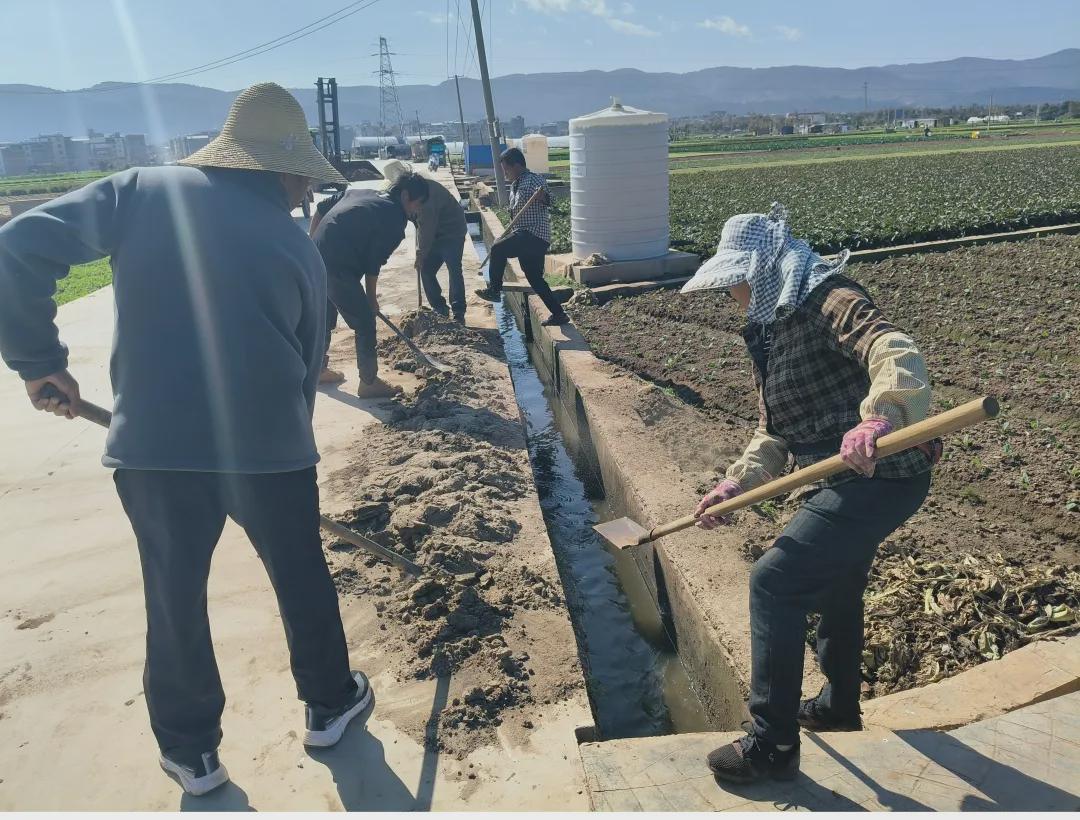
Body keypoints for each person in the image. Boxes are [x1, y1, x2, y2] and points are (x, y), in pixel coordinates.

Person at [0, 83, 372, 797]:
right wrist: (287, 451)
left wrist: (38, 363)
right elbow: (304, 366)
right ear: (282, 171)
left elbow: (18, 248)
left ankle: (191, 753)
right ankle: (331, 705)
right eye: (303, 180)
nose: (304, 196)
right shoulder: (298, 246)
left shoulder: (142, 190)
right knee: (302, 578)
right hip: (269, 452)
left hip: (154, 449)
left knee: (174, 594)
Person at [681, 204, 939, 785]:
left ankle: (771, 744)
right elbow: (778, 430)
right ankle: (837, 707)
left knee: (774, 579)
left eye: (736, 284)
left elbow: (892, 348)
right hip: (837, 475)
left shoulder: (828, 298)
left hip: (884, 473)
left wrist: (879, 418)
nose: (733, 297)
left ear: (761, 269)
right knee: (837, 580)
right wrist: (735, 485)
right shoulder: (771, 328)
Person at [309, 171, 429, 397]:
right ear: (405, 196)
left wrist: (312, 244)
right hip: (338, 266)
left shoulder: (361, 192)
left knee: (325, 315)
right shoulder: (395, 220)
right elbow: (374, 263)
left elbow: (322, 207)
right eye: (418, 203)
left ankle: (318, 369)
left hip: (318, 258)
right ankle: (369, 382)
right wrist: (371, 300)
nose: (417, 210)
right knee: (364, 320)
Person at [475, 147, 568, 326]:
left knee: (498, 249)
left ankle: (494, 290)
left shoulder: (533, 179)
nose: (505, 173)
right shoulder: (516, 184)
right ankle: (559, 314)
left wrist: (543, 197)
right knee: (534, 278)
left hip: (533, 235)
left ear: (517, 165)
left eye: (506, 169)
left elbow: (551, 200)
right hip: (524, 235)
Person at [413, 168, 468, 323]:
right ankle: (439, 308)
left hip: (452, 233)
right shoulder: (413, 194)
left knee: (454, 269)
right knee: (426, 270)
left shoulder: (427, 196)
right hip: (436, 235)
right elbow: (419, 223)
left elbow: (426, 229)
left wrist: (420, 254)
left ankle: (458, 311)